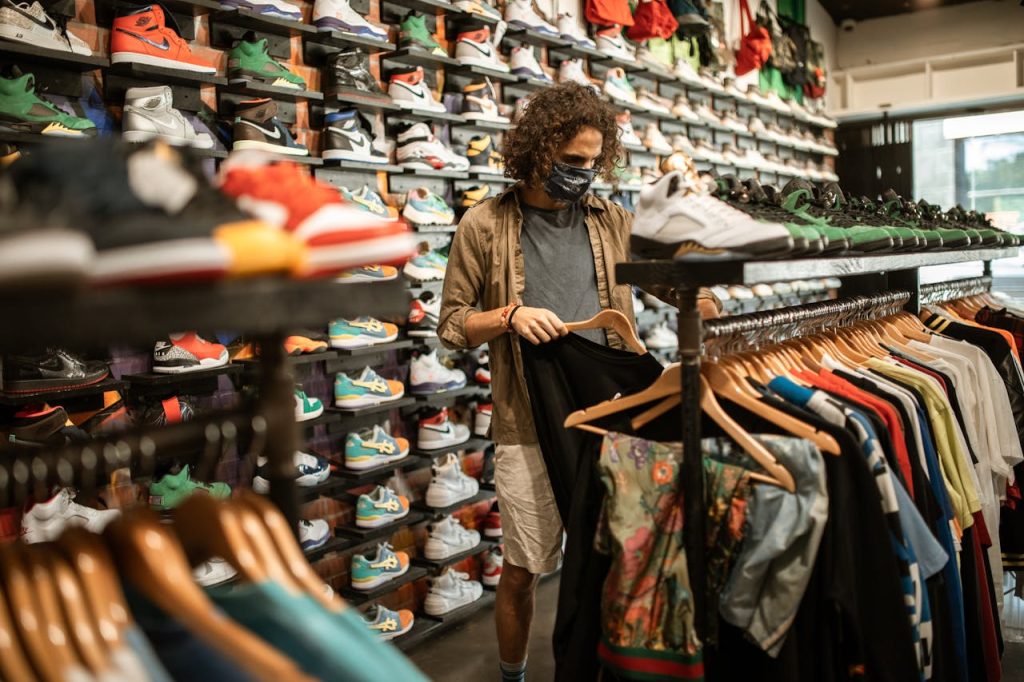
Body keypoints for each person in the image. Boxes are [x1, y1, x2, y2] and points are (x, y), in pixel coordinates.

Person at [437, 82, 718, 682]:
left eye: (593, 161)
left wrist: (700, 291)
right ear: (538, 152)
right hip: (527, 417)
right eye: (571, 162)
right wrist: (510, 316)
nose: (583, 173)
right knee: (524, 566)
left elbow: (663, 279)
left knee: (620, 558)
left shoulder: (611, 219)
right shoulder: (484, 224)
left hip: (614, 410)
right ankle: (512, 676)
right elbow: (453, 326)